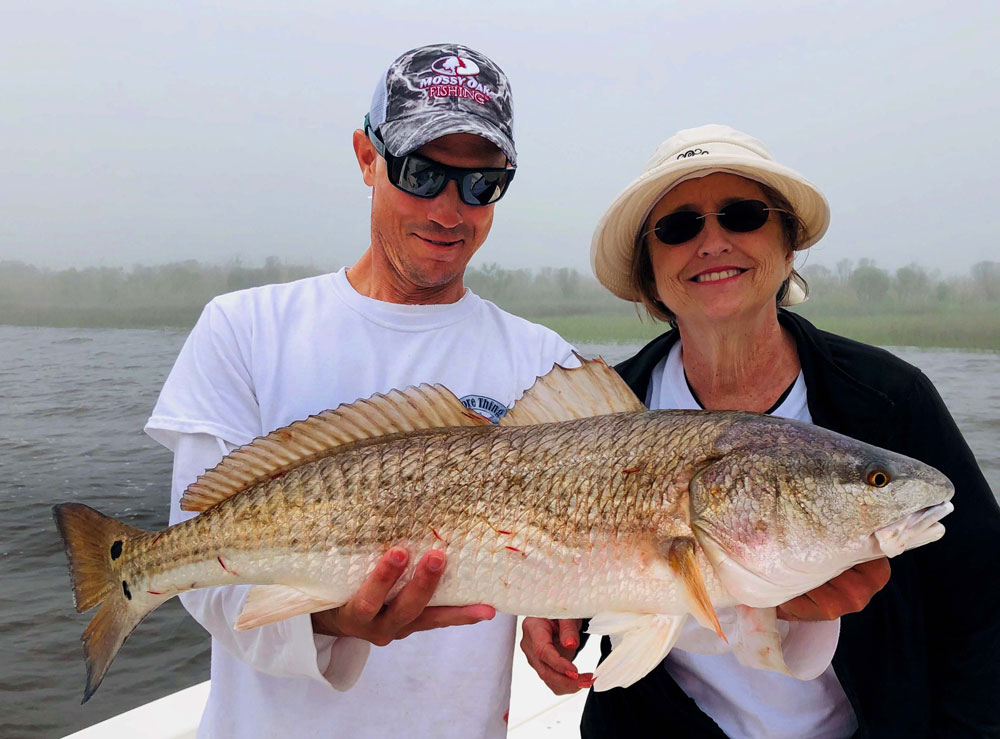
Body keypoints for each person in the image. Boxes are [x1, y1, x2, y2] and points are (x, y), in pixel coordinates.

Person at [144, 43, 576, 738]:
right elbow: (204, 569)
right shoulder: (244, 328)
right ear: (365, 155)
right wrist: (326, 619)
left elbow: (557, 548)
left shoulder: (543, 364)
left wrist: (566, 616)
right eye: (421, 171)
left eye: (481, 184)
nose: (449, 208)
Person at [521, 125, 1000, 737]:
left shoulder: (891, 399)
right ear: (650, 268)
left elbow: (981, 605)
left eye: (743, 216)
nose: (712, 241)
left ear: (787, 245)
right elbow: (574, 548)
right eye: (678, 227)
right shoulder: (603, 414)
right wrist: (553, 613)